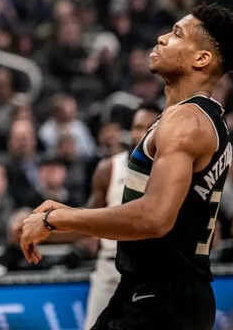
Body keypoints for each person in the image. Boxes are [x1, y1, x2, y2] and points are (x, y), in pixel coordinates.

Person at [19, 4, 233, 330]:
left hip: (162, 300)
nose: (162, 38)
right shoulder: (200, 118)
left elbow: (154, 218)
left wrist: (57, 219)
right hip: (157, 293)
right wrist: (69, 212)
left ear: (201, 59)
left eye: (176, 34)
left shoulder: (186, 122)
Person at [82, 105, 160, 330]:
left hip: (152, 271)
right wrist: (49, 226)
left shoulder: (175, 169)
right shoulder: (108, 168)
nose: (142, 132)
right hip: (110, 267)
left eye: (150, 127)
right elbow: (88, 220)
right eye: (137, 127)